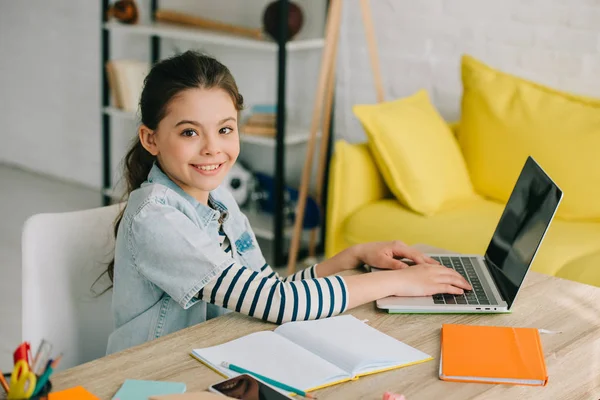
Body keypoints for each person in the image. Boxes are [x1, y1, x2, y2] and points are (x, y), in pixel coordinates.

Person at [105, 51, 471, 354]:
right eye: (189, 132)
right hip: (156, 376)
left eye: (225, 129)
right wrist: (399, 283)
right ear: (150, 139)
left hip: (210, 357)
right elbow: (280, 304)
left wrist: (350, 257)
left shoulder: (220, 199)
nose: (212, 148)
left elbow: (268, 287)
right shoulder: (155, 217)